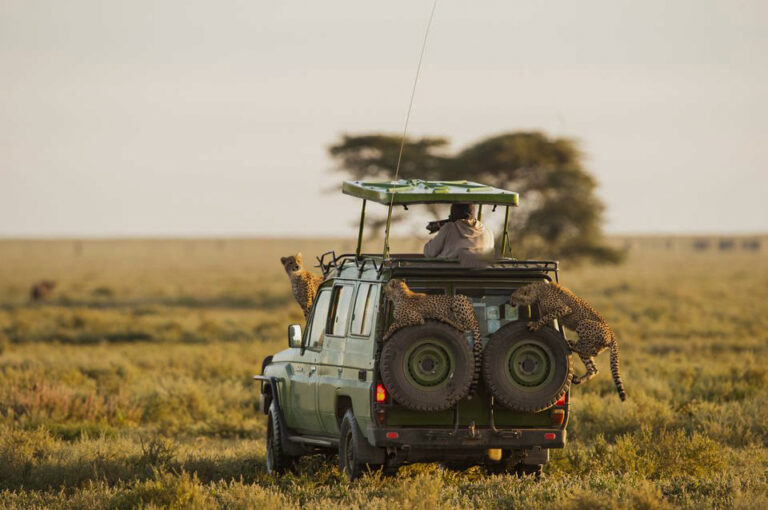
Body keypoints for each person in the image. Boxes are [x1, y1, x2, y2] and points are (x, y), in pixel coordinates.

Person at [423, 203, 494, 258]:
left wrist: (443, 229)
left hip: (449, 274)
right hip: (480, 275)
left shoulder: (449, 228)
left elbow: (429, 252)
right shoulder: (488, 233)